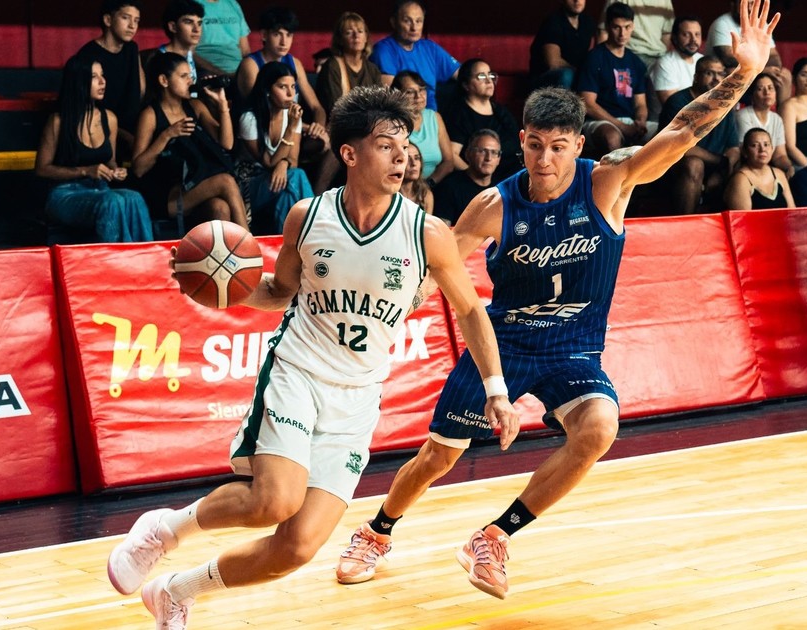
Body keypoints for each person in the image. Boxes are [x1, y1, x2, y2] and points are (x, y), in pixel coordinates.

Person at [334, 0, 780, 599]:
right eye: (536, 145)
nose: (545, 160)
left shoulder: (609, 181)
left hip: (573, 350)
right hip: (504, 346)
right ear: (521, 140)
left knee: (599, 427)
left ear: (579, 145)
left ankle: (494, 536)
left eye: (559, 147)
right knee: (438, 456)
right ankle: (377, 530)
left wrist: (745, 72)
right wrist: (384, 308)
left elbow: (682, 131)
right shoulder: (494, 205)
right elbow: (436, 272)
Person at [108, 86, 519, 629]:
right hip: (298, 372)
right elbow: (279, 291)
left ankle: (174, 591)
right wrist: (219, 290)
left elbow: (469, 310)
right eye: (386, 145)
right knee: (274, 502)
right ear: (349, 153)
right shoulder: (308, 216)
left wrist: (496, 391)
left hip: (358, 398)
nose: (401, 158)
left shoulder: (427, 233)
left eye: (405, 147)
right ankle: (163, 530)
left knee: (297, 547)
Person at [35, 55, 153, 242]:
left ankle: (144, 256)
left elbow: (110, 161)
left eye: (102, 75)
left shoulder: (110, 119)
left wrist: (115, 171)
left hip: (100, 189)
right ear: (78, 82)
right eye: (94, 76)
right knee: (112, 202)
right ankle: (115, 257)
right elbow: (42, 169)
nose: (102, 81)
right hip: (65, 194)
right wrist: (85, 171)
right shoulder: (58, 122)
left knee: (134, 198)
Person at [133, 52, 249, 231]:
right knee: (225, 181)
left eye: (190, 75)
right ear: (164, 80)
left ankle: (226, 249)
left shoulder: (195, 106)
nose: (190, 80)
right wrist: (167, 135)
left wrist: (222, 105)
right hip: (169, 197)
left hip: (197, 187)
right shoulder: (150, 115)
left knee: (220, 208)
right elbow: (138, 169)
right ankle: (248, 240)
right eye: (183, 76)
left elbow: (226, 144)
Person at [235, 62, 315, 235]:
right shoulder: (249, 118)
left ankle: (283, 240)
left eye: (293, 87)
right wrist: (290, 128)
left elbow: (293, 161)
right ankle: (317, 226)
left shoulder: (292, 116)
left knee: (287, 195)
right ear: (267, 90)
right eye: (282, 87)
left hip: (280, 180)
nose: (290, 94)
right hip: (250, 184)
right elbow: (269, 162)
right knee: (296, 176)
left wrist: (284, 164)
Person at [656, 55, 741, 214]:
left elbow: (733, 148)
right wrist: (720, 163)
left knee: (747, 162)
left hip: (714, 167)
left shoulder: (726, 103)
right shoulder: (678, 102)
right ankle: (687, 224)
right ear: (696, 77)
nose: (716, 79)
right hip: (673, 166)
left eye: (721, 74)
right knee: (694, 164)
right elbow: (681, 148)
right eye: (709, 73)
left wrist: (721, 172)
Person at [578, 2, 653, 155]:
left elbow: (640, 103)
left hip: (629, 121)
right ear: (607, 27)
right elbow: (588, 104)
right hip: (599, 121)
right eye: (616, 27)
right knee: (611, 137)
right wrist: (622, 126)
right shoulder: (595, 58)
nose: (622, 33)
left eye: (627, 27)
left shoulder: (635, 62)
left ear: (632, 27)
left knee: (666, 133)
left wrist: (640, 122)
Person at [75, 0, 146, 160]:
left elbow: (140, 91)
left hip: (132, 130)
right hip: (98, 132)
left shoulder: (132, 49)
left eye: (136, 20)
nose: (132, 26)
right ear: (108, 20)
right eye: (125, 18)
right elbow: (84, 111)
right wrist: (126, 136)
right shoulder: (88, 55)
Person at [236, 8, 325, 133]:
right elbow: (260, 110)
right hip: (260, 132)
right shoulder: (251, 65)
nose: (284, 42)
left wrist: (318, 128)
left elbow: (317, 108)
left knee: (324, 140)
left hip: (293, 130)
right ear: (264, 35)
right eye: (277, 34)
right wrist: (303, 127)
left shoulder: (295, 63)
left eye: (288, 35)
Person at [370, 0, 459, 111]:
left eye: (418, 21)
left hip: (431, 115)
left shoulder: (430, 48)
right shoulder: (384, 50)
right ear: (394, 22)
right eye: (407, 21)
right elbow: (391, 100)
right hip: (404, 115)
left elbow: (464, 74)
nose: (414, 27)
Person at [442, 58, 522, 179]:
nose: (489, 81)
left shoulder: (502, 112)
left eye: (490, 75)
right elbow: (453, 155)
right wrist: (478, 179)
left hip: (511, 176)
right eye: (481, 76)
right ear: (466, 85)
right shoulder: (458, 115)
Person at [708, 0, 789, 99]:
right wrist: (763, 70)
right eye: (747, 3)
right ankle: (731, 110)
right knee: (732, 72)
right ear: (733, 4)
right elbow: (728, 59)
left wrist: (771, 70)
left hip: (754, 72)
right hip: (729, 72)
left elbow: (774, 57)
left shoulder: (761, 24)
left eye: (752, 3)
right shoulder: (722, 23)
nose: (750, 8)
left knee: (784, 75)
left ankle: (781, 109)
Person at [392, 70, 459, 185]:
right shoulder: (391, 123)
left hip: (433, 186)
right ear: (397, 95)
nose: (418, 96)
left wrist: (427, 186)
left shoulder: (434, 117)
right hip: (401, 186)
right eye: (410, 92)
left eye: (422, 90)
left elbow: (448, 162)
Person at [315, 12, 384, 116]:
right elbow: (336, 109)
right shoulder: (333, 66)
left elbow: (380, 105)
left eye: (360, 31)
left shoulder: (372, 69)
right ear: (340, 40)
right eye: (349, 32)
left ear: (366, 37)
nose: (356, 36)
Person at [142, 0, 222, 85]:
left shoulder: (200, 61)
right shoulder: (151, 60)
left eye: (199, 23)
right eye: (189, 22)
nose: (197, 29)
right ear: (173, 27)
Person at [433, 129, 502, 225]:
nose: (488, 158)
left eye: (494, 152)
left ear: (499, 159)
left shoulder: (501, 189)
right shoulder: (449, 187)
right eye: (482, 151)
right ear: (468, 154)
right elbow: (442, 229)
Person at [733, 72, 792, 176]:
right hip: (748, 167)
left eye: (770, 88)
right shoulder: (744, 116)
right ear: (752, 95)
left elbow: (780, 155)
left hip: (768, 167)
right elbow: (747, 154)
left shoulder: (777, 119)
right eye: (760, 89)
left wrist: (788, 167)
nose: (767, 92)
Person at [528, 0, 596, 90]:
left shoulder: (587, 22)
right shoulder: (553, 22)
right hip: (544, 81)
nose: (577, 1)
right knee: (567, 75)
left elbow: (593, 57)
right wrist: (581, 73)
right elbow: (553, 63)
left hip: (575, 75)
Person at [725, 127, 794, 210]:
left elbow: (792, 211)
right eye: (755, 145)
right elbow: (743, 217)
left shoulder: (779, 174)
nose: (762, 149)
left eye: (766, 144)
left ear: (772, 149)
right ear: (744, 151)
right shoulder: (740, 179)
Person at [648, 15, 703, 105]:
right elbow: (673, 105)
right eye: (686, 34)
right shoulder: (665, 63)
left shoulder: (702, 59)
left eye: (697, 34)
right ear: (674, 37)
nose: (693, 39)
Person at [194, 0, 249, 76]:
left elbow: (245, 50)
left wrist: (248, 72)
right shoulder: (192, 4)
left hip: (239, 73)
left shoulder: (232, 3)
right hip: (207, 72)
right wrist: (223, 75)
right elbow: (188, 52)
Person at [400, 143, 434, 212]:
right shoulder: (387, 196)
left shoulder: (425, 194)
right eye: (408, 158)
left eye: (417, 158)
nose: (414, 163)